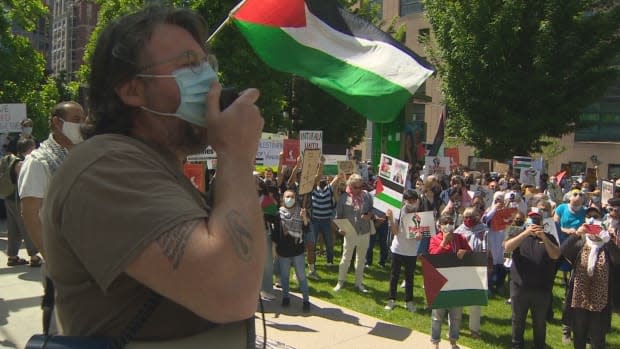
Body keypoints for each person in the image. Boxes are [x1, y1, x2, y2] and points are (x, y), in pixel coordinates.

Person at [41, 7, 265, 346]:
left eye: (208, 64)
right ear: (132, 91)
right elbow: (231, 291)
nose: (211, 81)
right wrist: (235, 154)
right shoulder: (105, 167)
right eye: (190, 64)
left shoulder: (153, 166)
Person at [18, 101, 85, 255]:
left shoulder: (86, 154)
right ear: (57, 122)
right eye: (76, 120)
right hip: (62, 255)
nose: (81, 125)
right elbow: (30, 212)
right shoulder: (38, 161)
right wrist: (48, 255)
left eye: (83, 119)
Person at [561, 206, 620, 349]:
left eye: (597, 227)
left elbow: (618, 260)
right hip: (579, 299)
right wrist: (576, 234)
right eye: (591, 225)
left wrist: (608, 240)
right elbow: (561, 251)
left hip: (600, 302)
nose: (594, 231)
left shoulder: (606, 246)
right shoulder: (581, 243)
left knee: (598, 338)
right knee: (579, 336)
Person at [504, 210, 560, 349]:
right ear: (526, 221)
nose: (534, 222)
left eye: (537, 219)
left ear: (542, 222)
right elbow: (507, 247)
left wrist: (544, 238)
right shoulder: (516, 233)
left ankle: (539, 345)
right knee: (518, 319)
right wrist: (525, 233)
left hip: (542, 289)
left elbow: (555, 255)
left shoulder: (549, 237)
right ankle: (517, 345)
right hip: (519, 287)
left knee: (540, 322)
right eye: (531, 219)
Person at [428, 214, 472, 349]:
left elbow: (471, 254)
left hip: (457, 282)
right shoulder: (435, 239)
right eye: (445, 223)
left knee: (456, 316)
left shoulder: (461, 238)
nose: (448, 225)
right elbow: (433, 257)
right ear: (439, 226)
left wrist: (465, 253)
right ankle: (435, 342)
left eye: (451, 222)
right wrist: (443, 243)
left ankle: (453, 341)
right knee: (437, 316)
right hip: (440, 282)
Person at [333, 174, 373, 293]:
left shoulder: (366, 196)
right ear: (350, 186)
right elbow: (338, 216)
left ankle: (358, 283)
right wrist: (340, 228)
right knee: (346, 258)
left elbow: (372, 209)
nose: (358, 189)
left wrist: (369, 215)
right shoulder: (344, 197)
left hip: (364, 231)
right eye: (355, 187)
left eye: (360, 186)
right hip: (350, 232)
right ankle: (340, 282)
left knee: (361, 259)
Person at [272, 189, 311, 312]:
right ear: (283, 199)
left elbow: (306, 229)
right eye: (287, 196)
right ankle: (286, 297)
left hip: (297, 251)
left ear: (295, 198)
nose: (290, 199)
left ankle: (306, 300)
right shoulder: (278, 214)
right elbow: (275, 233)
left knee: (301, 276)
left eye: (292, 196)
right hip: (283, 251)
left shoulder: (300, 212)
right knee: (284, 276)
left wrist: (304, 218)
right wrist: (274, 248)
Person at [384, 190, 422, 313]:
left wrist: (419, 236)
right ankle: (391, 300)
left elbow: (421, 235)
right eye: (409, 200)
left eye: (414, 201)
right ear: (405, 200)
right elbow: (395, 232)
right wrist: (390, 219)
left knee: (409, 277)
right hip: (398, 249)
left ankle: (409, 301)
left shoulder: (420, 215)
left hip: (411, 251)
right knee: (394, 276)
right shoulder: (398, 212)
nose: (411, 203)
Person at [5, 137, 40, 267]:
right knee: (27, 227)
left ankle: (12, 256)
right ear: (30, 148)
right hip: (20, 199)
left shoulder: (12, 160)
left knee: (13, 229)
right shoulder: (22, 163)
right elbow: (25, 183)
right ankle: (34, 256)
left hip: (9, 199)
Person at [454, 207, 488, 339]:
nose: (468, 219)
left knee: (475, 302)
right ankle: (455, 328)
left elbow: (485, 251)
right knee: (457, 300)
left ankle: (474, 329)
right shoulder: (458, 231)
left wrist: (469, 254)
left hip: (477, 269)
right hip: (461, 269)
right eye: (466, 216)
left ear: (477, 217)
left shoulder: (484, 231)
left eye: (471, 216)